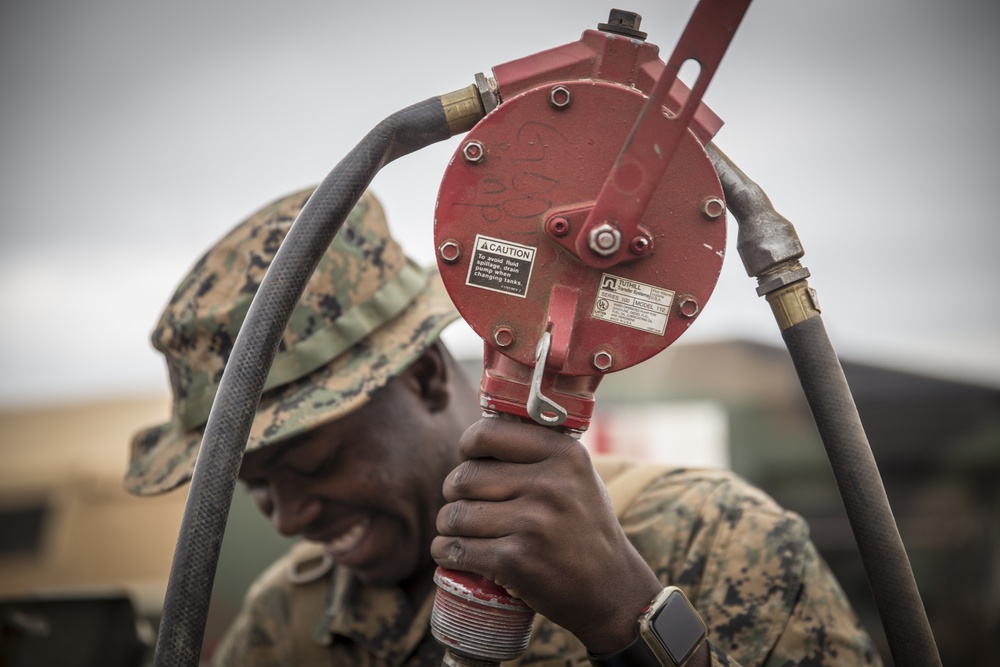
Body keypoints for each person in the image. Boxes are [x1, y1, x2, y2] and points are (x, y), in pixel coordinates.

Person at [125, 188, 881, 666]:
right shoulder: (286, 628)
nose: (292, 517)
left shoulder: (710, 540)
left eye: (316, 464)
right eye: (257, 490)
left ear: (423, 376)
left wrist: (627, 620)